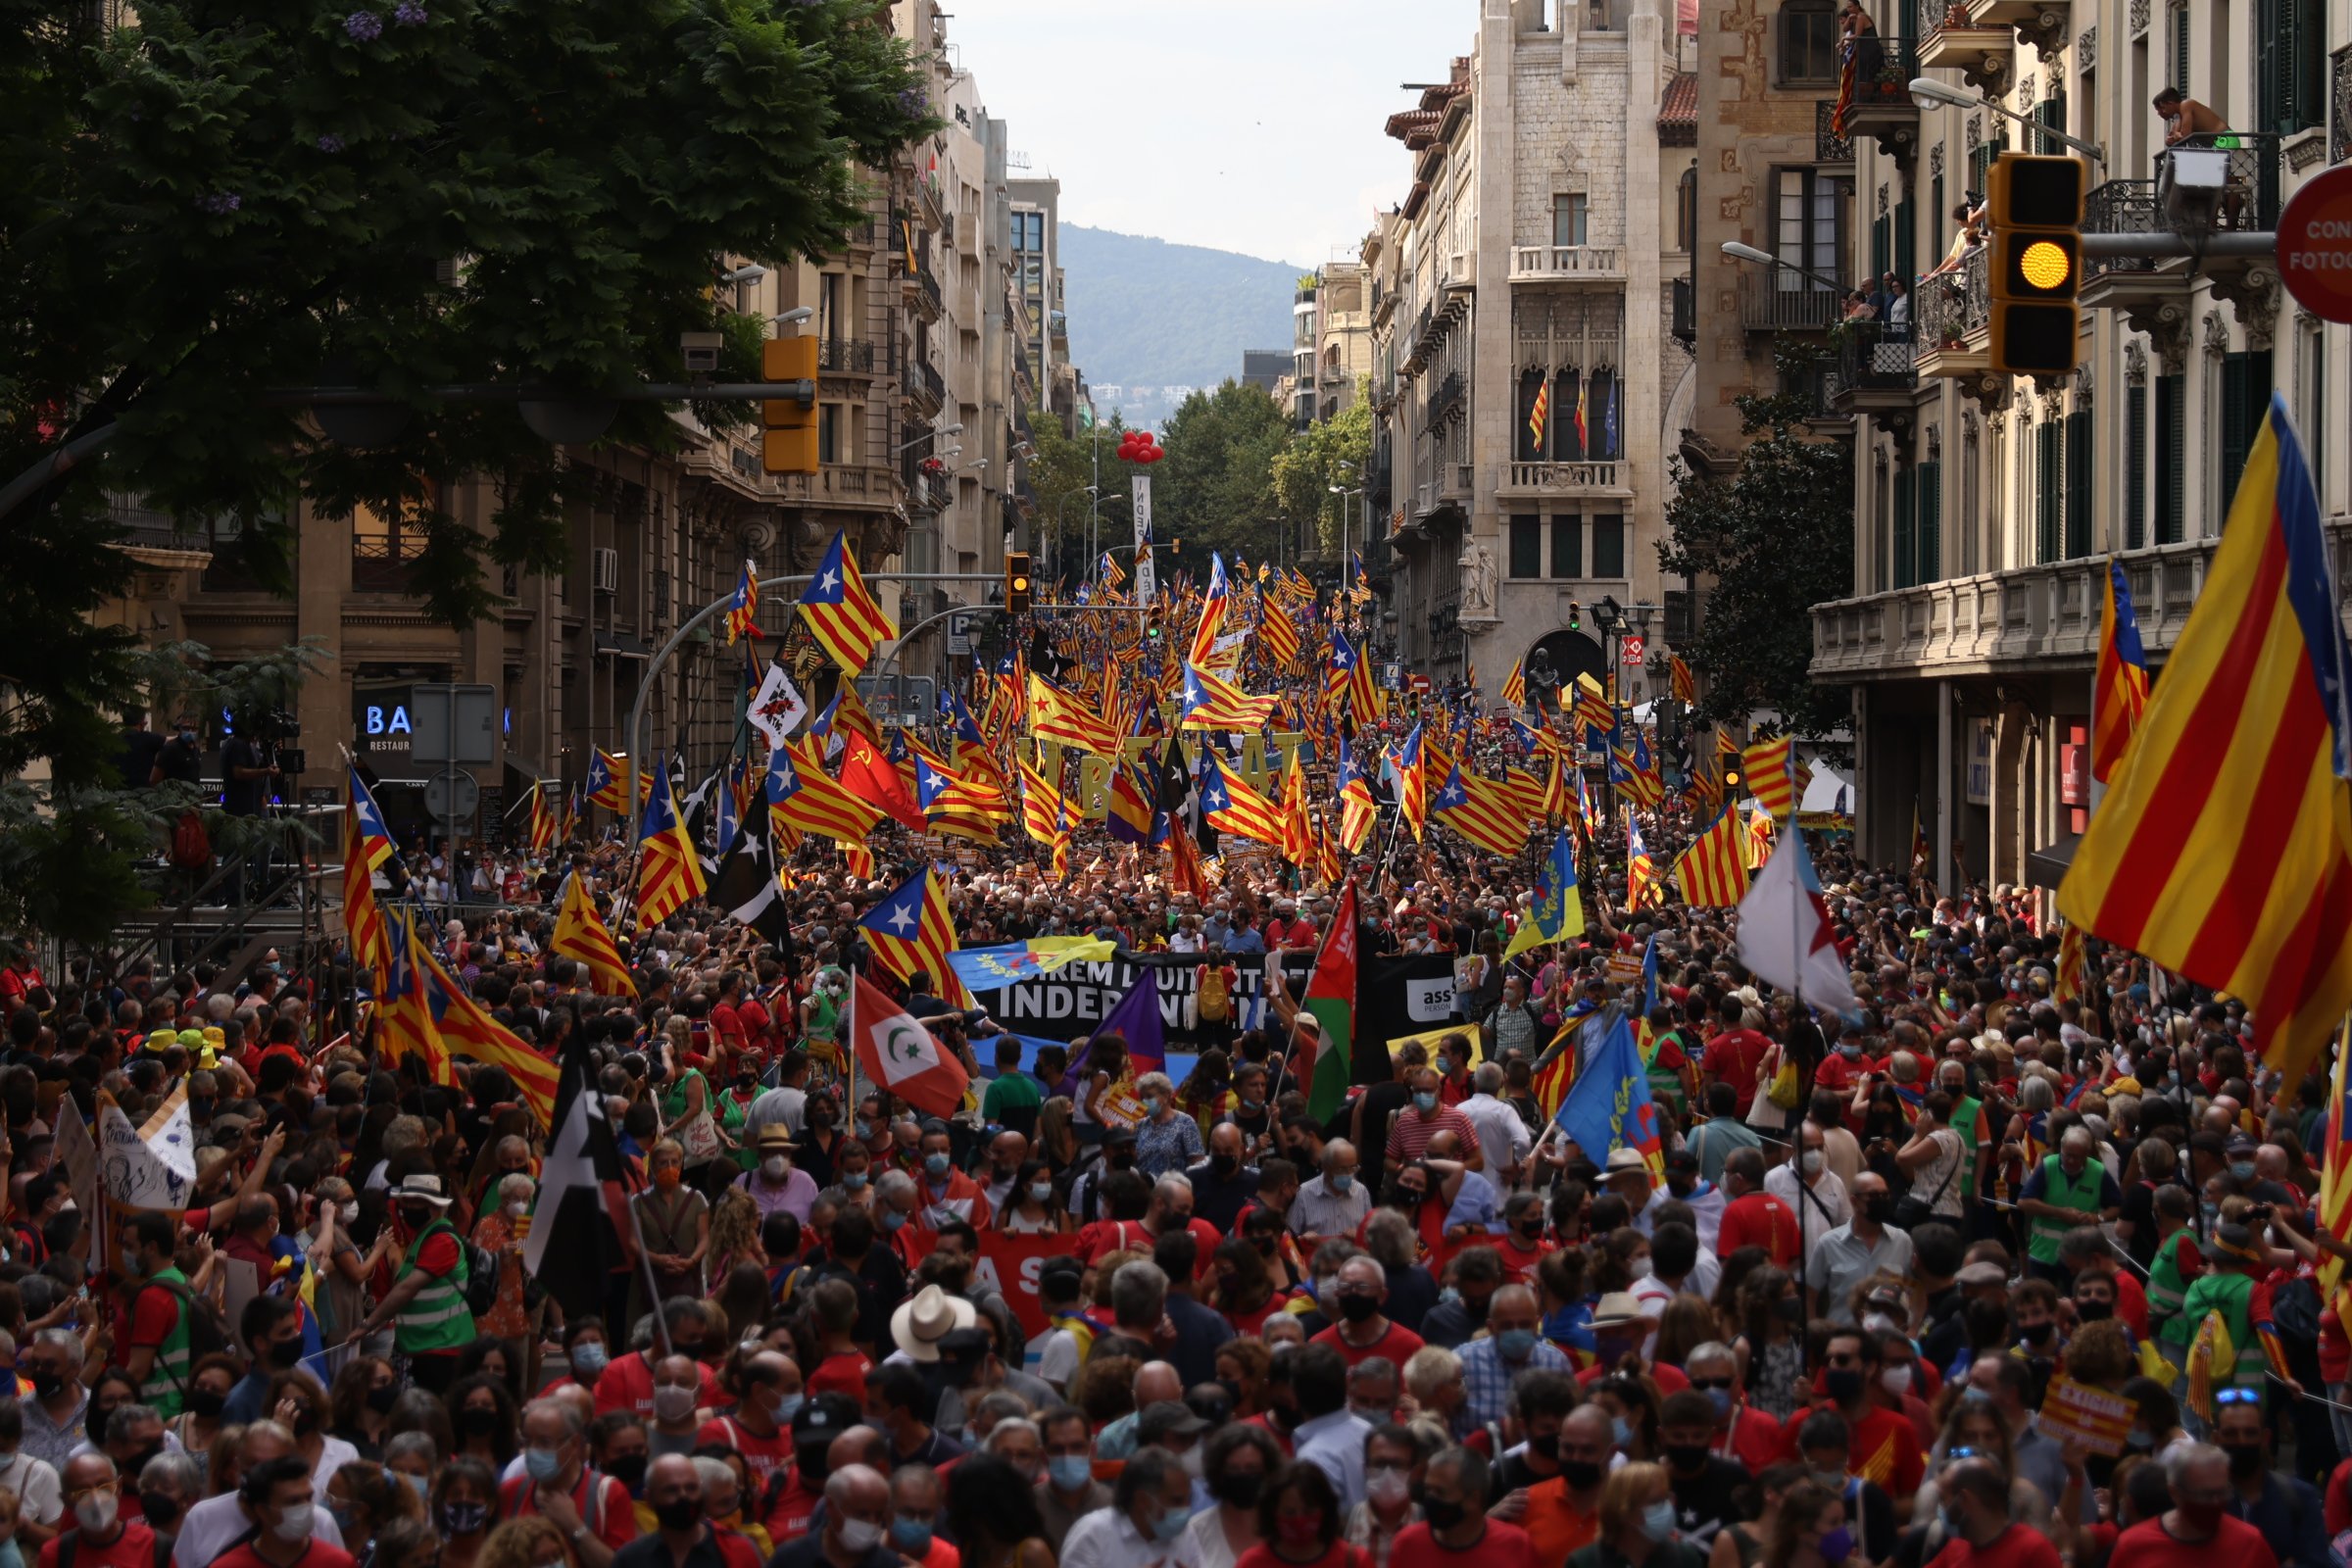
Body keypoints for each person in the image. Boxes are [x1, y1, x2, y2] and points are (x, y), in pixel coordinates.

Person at [495, 1397, 635, 1568]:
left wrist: (574, 1526)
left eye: (544, 1442)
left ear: (575, 1444)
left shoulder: (608, 1493)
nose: (532, 1450)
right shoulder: (511, 1492)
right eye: (527, 1442)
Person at [2106, 1445, 2277, 1568]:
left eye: (2222, 1493)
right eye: (2205, 1495)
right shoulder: (2133, 1545)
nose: (2216, 1502)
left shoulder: (2250, 1543)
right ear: (2174, 1493)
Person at [1387, 1446, 1539, 1568]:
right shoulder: (1407, 1544)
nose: (1430, 1499)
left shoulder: (1516, 1545)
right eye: (1428, 1490)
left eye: (1440, 1492)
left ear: (1473, 1499)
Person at [205, 1455, 354, 1568]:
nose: (306, 1507)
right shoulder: (227, 1566)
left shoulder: (338, 1563)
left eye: (308, 1497)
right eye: (293, 1501)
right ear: (262, 1510)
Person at [1058, 1446, 1195, 1568]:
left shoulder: (1185, 1534)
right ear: (1143, 1500)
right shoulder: (1093, 1533)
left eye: (1188, 1500)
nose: (1185, 1509)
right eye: (1177, 1501)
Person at [1569, 1461, 1706, 1568]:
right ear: (1624, 1511)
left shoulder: (1686, 1559)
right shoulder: (1584, 1563)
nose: (1668, 1507)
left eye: (1667, 1498)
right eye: (1656, 1501)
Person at [1187, 1426, 1284, 1568]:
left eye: (1252, 1468)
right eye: (1233, 1469)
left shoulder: (1287, 1526)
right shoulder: (1195, 1531)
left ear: (1268, 1472)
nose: (1243, 1476)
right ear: (1218, 1474)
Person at [1236, 1461, 1365, 1568]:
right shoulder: (1252, 1563)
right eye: (1289, 1513)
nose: (1299, 1520)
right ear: (1272, 1513)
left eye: (1308, 1511)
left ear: (1325, 1509)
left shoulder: (1354, 1560)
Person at [767, 1464, 898, 1568]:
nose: (872, 1523)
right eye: (862, 1514)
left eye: (879, 1515)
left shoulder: (891, 1564)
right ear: (830, 1506)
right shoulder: (790, 1559)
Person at [1037, 1405, 1111, 1554]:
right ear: (1043, 1456)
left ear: (1093, 1450)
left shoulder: (1114, 1506)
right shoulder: (1028, 1508)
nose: (1067, 1456)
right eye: (1057, 1449)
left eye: (1077, 1447)